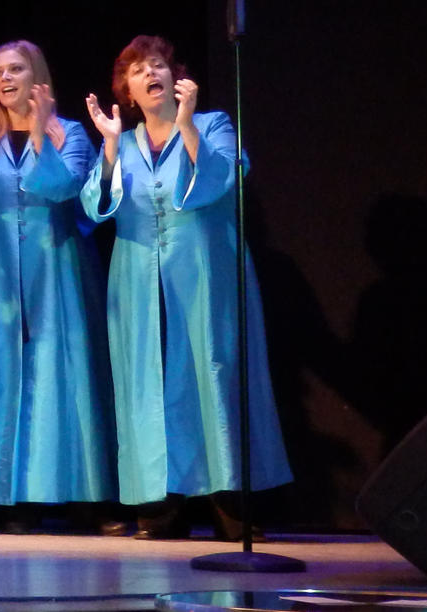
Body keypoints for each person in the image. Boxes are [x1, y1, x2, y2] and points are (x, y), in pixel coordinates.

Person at [82, 35, 292, 539]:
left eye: (158, 64)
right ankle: (160, 500)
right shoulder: (122, 142)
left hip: (204, 274)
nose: (150, 73)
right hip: (138, 279)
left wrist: (187, 124)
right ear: (128, 91)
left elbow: (223, 179)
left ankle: (230, 499)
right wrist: (108, 145)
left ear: (176, 77)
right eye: (138, 70)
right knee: (147, 381)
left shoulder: (210, 124)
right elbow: (95, 207)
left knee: (212, 373)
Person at [0, 40, 116, 530]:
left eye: (16, 69)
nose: (5, 78)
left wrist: (40, 134)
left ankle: (80, 496)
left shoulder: (71, 133)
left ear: (37, 75)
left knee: (64, 374)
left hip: (57, 267)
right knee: (1, 376)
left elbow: (64, 188)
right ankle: (8, 498)